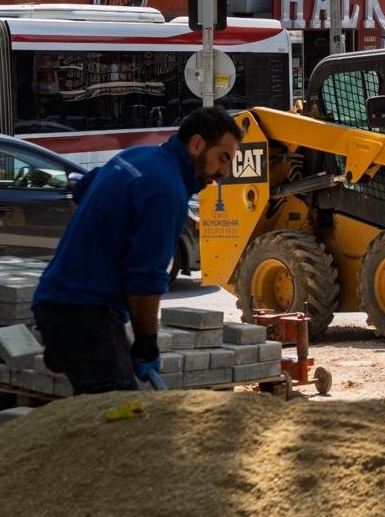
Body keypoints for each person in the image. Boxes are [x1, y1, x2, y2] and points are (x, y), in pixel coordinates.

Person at [31, 108, 241, 394]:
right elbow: (145, 277)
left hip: (57, 302)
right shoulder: (167, 191)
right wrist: (146, 342)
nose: (224, 173)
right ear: (196, 144)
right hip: (84, 312)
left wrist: (98, 248)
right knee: (118, 412)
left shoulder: (135, 156)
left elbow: (81, 193)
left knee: (107, 405)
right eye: (224, 158)